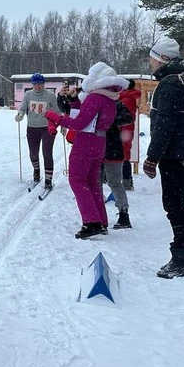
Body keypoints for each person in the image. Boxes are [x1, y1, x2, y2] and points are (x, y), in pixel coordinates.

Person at [143, 36, 184, 278]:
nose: (151, 63)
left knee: (173, 203)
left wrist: (151, 158)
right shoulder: (183, 80)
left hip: (176, 153)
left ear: (163, 59)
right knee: (177, 201)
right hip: (183, 151)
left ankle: (182, 255)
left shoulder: (171, 83)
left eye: (153, 58)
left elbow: (164, 125)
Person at [45, 62, 125, 239]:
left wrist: (55, 117)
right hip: (99, 142)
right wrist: (74, 101)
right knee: (91, 182)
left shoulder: (94, 98)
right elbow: (85, 117)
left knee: (77, 181)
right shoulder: (110, 99)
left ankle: (91, 222)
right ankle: (101, 221)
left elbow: (79, 123)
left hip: (85, 143)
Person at [14, 73, 61, 190]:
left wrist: (63, 124)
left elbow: (57, 111)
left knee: (47, 153)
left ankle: (48, 178)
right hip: (32, 127)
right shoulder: (28, 94)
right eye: (35, 84)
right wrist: (20, 115)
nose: (38, 87)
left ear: (44, 84)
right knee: (33, 152)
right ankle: (36, 170)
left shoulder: (50, 95)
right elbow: (23, 108)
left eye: (40, 84)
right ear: (32, 85)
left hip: (47, 128)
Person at [101, 96, 134, 229]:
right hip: (94, 147)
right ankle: (96, 216)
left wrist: (108, 121)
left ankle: (123, 214)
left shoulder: (115, 101)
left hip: (112, 147)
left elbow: (128, 117)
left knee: (114, 183)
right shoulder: (89, 99)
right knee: (95, 184)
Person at [118, 79, 141, 191]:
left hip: (123, 131)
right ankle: (127, 181)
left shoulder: (126, 100)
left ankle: (126, 181)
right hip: (126, 130)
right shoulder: (129, 98)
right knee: (124, 155)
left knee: (122, 156)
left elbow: (121, 117)